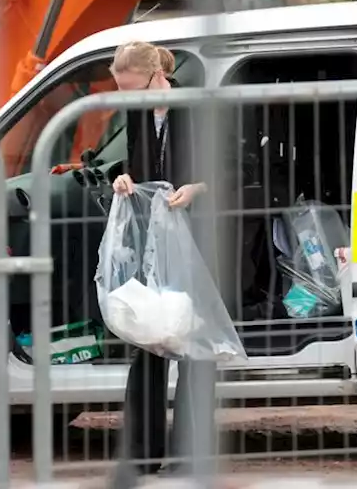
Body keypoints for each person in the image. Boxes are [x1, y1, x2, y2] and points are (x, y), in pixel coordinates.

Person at [109, 40, 216, 477]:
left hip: (198, 240)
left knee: (193, 342)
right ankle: (142, 453)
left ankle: (191, 454)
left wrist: (197, 188)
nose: (128, 98)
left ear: (156, 77)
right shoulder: (137, 112)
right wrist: (124, 178)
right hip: (154, 241)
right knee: (149, 339)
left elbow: (233, 168)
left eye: (133, 88)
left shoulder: (196, 107)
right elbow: (136, 163)